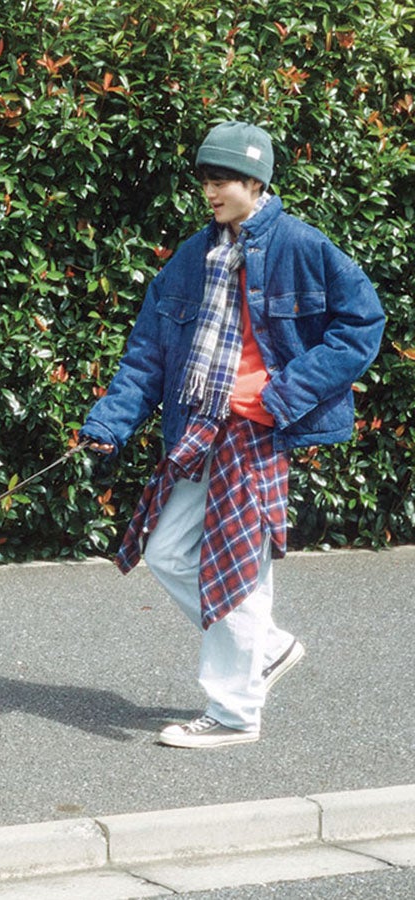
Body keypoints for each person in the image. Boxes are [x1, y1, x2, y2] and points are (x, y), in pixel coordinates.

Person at [80, 121, 384, 748]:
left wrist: (280, 395)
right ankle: (265, 650)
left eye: (220, 180)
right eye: (204, 181)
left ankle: (233, 712)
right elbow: (147, 355)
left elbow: (362, 325)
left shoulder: (303, 245)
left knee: (240, 567)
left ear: (255, 182)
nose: (209, 191)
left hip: (255, 428)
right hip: (197, 426)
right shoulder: (193, 258)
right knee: (165, 551)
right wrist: (109, 422)